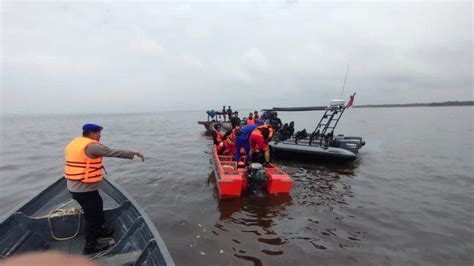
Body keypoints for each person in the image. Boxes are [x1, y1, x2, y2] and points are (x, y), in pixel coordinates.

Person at [64, 123, 145, 255]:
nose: (100, 136)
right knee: (93, 217)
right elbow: (112, 152)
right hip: (83, 190)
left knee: (98, 206)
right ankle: (90, 246)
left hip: (77, 187)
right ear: (90, 134)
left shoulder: (75, 143)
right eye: (98, 133)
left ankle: (100, 231)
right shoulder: (92, 146)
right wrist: (134, 153)